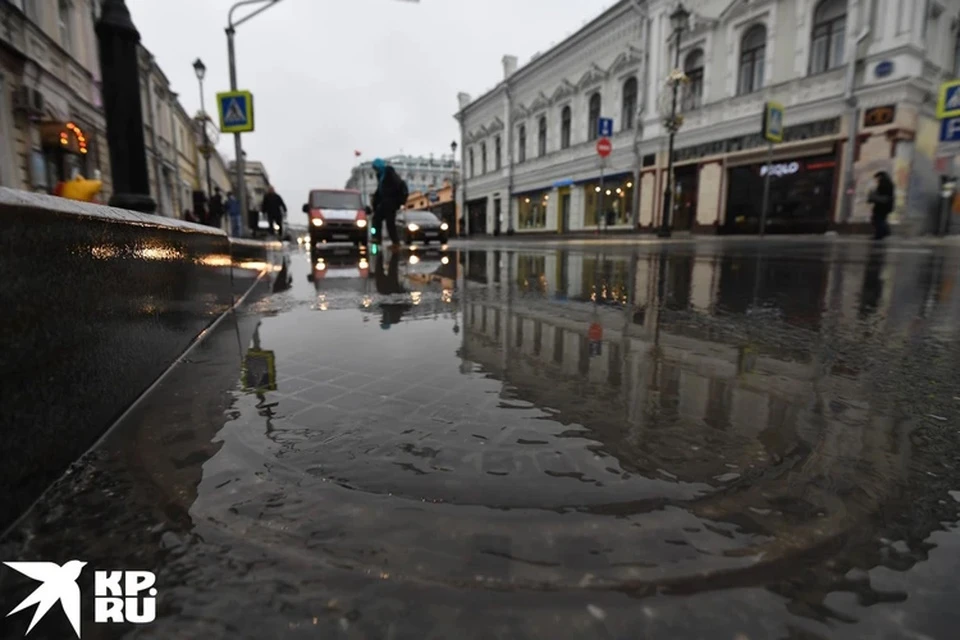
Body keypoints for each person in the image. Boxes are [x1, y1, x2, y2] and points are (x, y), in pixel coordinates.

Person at [370, 158, 408, 249]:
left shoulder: (390, 173)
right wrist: (375, 201)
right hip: (384, 203)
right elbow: (380, 191)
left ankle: (395, 242)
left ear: (379, 166)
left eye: (375, 167)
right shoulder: (380, 175)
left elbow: (399, 186)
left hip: (391, 203)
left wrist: (398, 202)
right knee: (376, 219)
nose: (375, 170)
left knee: (389, 223)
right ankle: (377, 238)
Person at [867, 171, 894, 240]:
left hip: (882, 206)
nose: (876, 180)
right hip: (886, 205)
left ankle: (881, 233)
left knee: (878, 219)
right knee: (881, 219)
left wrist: (873, 196)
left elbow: (881, 195)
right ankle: (883, 232)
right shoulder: (888, 183)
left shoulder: (884, 184)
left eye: (877, 178)